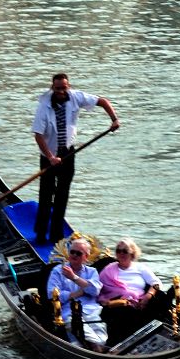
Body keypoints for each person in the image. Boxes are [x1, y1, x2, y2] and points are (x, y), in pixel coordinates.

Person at [31, 74, 121, 246]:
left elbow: (102, 101)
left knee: (62, 195)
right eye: (57, 88)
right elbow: (38, 135)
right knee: (46, 195)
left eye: (64, 88)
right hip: (48, 155)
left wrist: (114, 119)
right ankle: (41, 234)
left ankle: (56, 235)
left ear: (68, 86)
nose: (61, 91)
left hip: (68, 154)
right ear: (52, 88)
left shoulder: (75, 97)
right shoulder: (44, 106)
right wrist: (50, 157)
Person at [98, 238, 168, 343]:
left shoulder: (140, 268)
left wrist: (148, 296)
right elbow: (99, 288)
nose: (121, 253)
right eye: (118, 251)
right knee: (122, 311)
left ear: (132, 253)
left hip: (139, 303)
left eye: (125, 251)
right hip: (115, 305)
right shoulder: (108, 269)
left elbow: (157, 283)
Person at [45, 237, 106, 347]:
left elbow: (95, 291)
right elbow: (52, 295)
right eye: (72, 252)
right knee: (89, 341)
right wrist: (78, 293)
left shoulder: (92, 272)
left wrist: (74, 277)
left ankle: (97, 349)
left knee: (101, 340)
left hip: (91, 311)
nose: (74, 255)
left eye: (78, 253)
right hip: (69, 312)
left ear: (86, 257)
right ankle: (95, 350)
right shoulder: (58, 271)